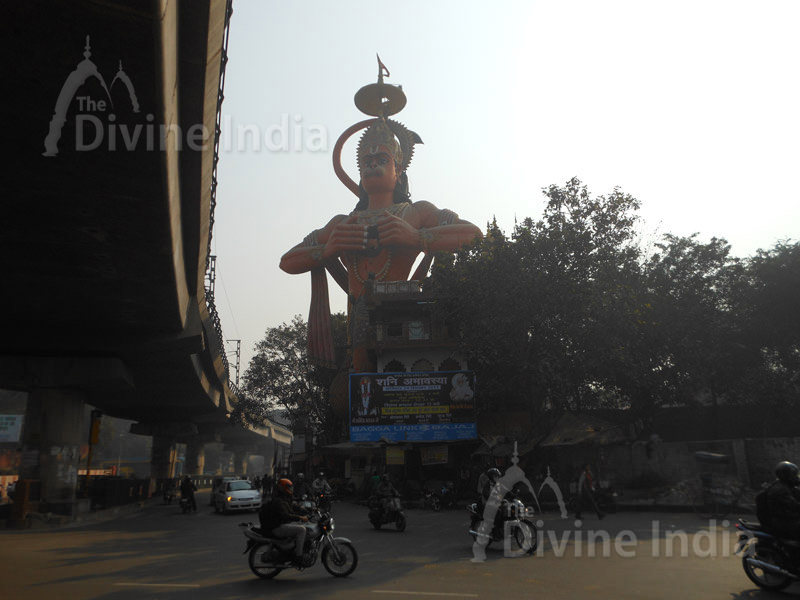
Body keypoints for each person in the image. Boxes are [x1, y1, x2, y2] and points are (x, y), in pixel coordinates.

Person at [279, 61, 482, 372]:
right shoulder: (343, 224)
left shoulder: (415, 213)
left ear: (397, 170)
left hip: (404, 321)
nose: (372, 165)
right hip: (357, 325)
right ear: (359, 171)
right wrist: (328, 249)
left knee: (404, 379)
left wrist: (417, 238)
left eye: (381, 159)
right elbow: (288, 261)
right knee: (356, 392)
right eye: (367, 160)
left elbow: (474, 235)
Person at [259, 478, 309, 566]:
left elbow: (292, 507)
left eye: (291, 487)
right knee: (302, 530)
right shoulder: (278, 500)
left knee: (301, 526)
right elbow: (286, 515)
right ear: (282, 488)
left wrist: (306, 510)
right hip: (277, 527)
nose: (291, 489)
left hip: (282, 524)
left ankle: (293, 550)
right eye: (289, 487)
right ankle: (298, 557)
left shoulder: (285, 498)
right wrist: (300, 517)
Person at [759, 461, 800, 538]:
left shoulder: (784, 485)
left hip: (785, 519)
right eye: (794, 475)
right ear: (786, 475)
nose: (796, 477)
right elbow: (794, 506)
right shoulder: (780, 490)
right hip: (783, 522)